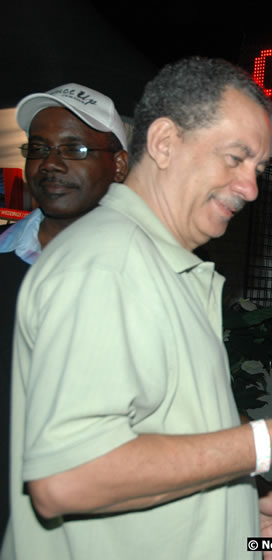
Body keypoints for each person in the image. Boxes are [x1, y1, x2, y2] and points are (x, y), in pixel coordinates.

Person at [4, 57, 272, 559]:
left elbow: (151, 443)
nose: (250, 188)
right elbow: (66, 480)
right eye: (235, 159)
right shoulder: (108, 264)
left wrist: (232, 507)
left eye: (257, 169)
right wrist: (265, 445)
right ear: (164, 143)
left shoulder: (171, 270)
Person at [0, 83, 129, 536]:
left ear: (117, 165)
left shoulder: (142, 273)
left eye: (73, 148)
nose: (50, 163)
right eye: (38, 148)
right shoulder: (4, 261)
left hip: (96, 521)